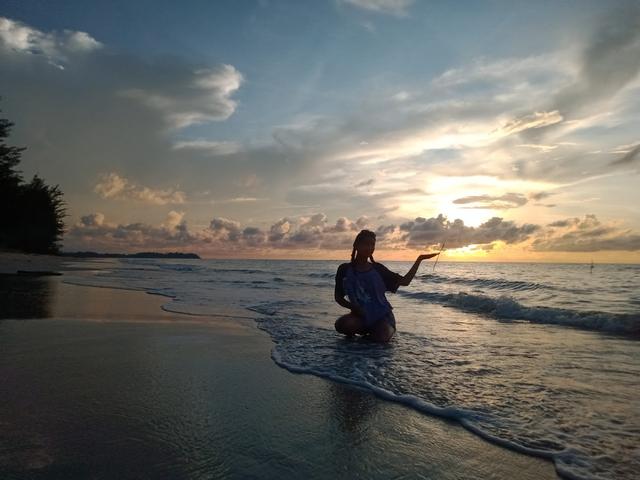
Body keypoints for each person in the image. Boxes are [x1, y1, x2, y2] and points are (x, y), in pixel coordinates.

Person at [334, 229, 439, 342]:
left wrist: (419, 259)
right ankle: (364, 334)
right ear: (356, 245)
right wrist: (354, 307)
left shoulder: (378, 269)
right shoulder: (345, 269)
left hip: (382, 317)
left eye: (372, 245)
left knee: (380, 339)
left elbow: (405, 281)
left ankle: (381, 330)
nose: (369, 248)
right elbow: (338, 298)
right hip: (360, 317)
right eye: (365, 244)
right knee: (341, 325)